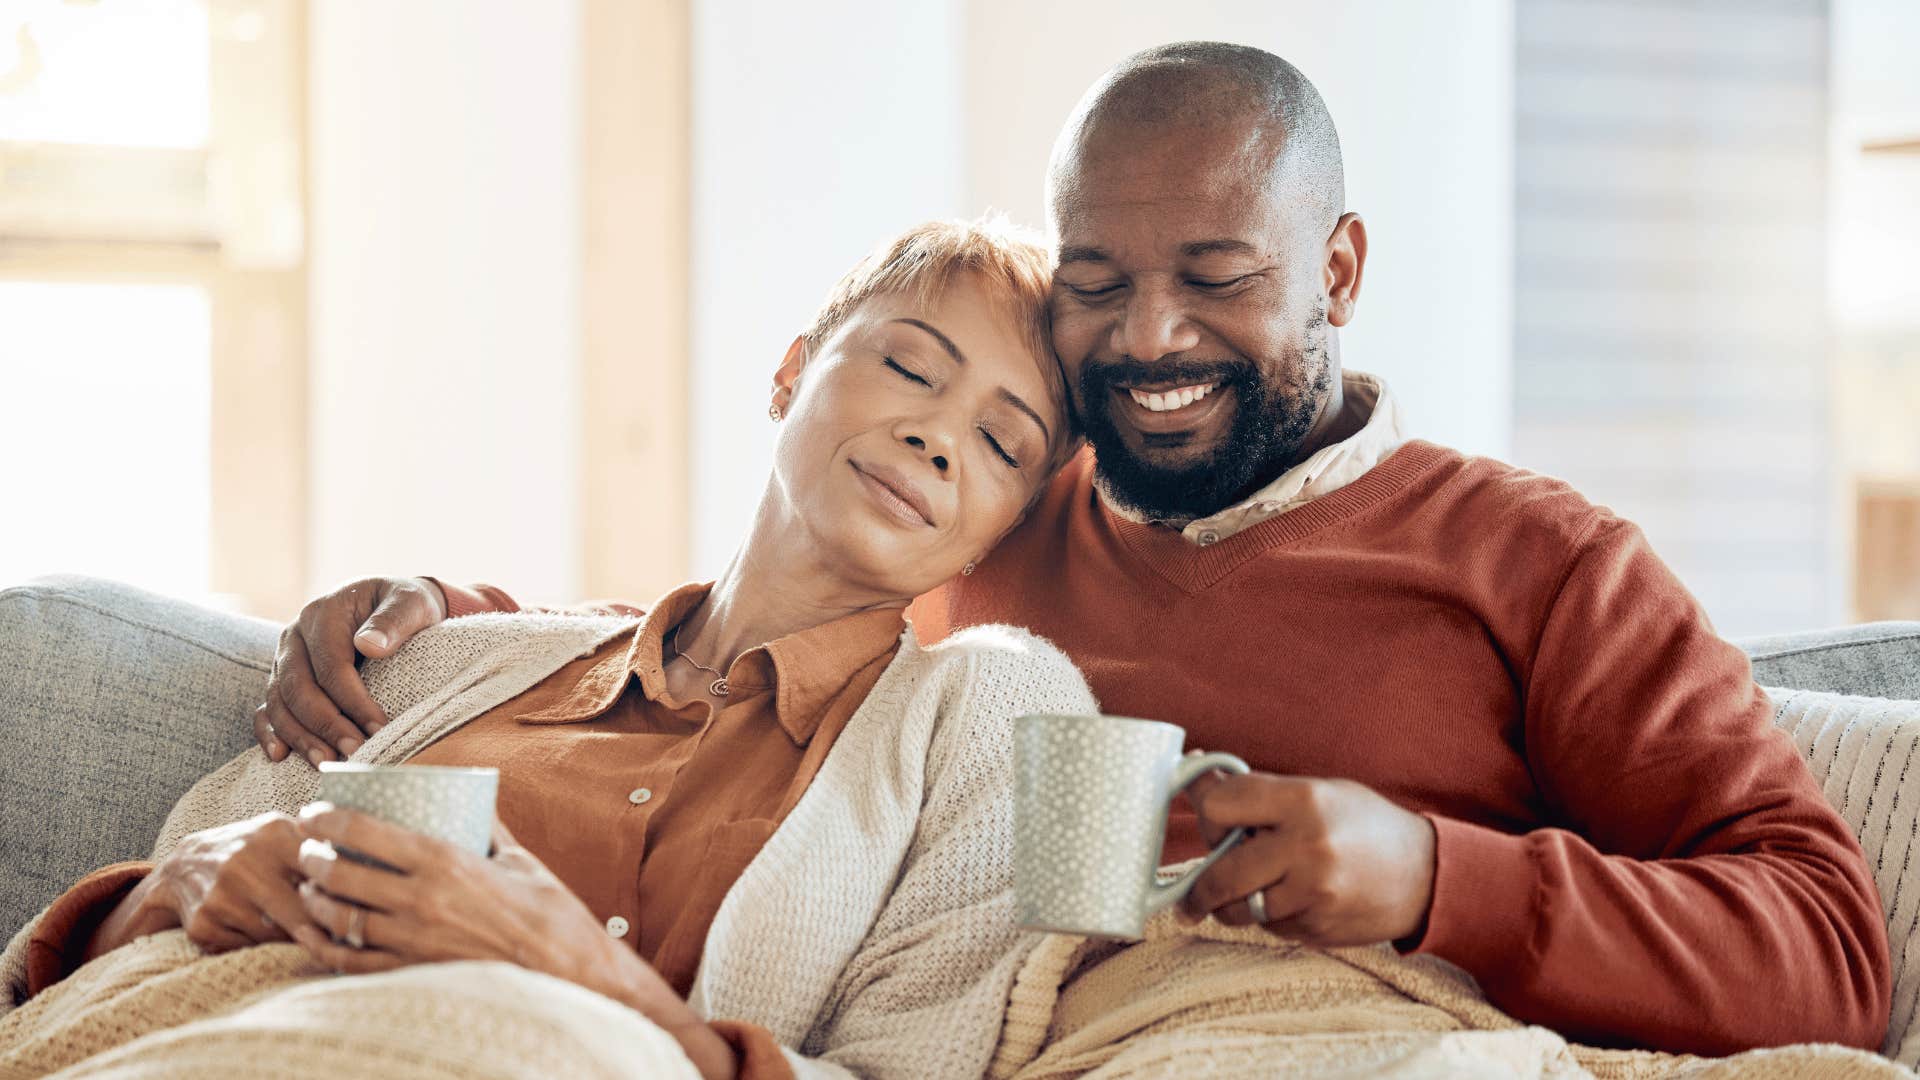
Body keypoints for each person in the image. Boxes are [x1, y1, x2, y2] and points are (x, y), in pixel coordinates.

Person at [254, 43, 1892, 1057]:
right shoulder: (996, 507)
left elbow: (1828, 944)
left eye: (1219, 273)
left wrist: (1433, 878)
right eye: (1097, 279)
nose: (1151, 335)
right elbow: (750, 634)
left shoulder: (1534, 564)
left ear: (1340, 266)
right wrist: (435, 623)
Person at [2, 219, 1097, 1080]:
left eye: (1003, 443)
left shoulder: (988, 715)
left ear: (1004, 525)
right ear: (790, 371)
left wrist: (578, 976)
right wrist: (169, 885)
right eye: (911, 368)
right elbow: (131, 926)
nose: (939, 437)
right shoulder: (461, 656)